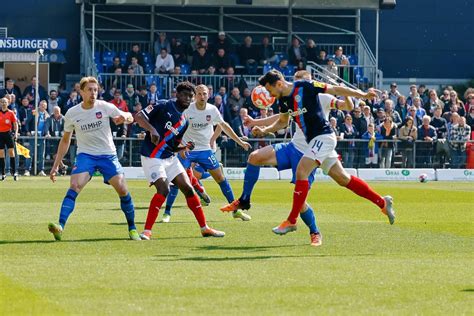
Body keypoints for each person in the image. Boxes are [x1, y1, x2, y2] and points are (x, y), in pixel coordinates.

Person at [247, 70, 395, 236]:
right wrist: (264, 130)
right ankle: (382, 202)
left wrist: (362, 94)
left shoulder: (309, 88)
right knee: (343, 179)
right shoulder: (284, 100)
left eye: (269, 90)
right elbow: (282, 121)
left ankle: (292, 220)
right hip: (312, 143)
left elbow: (339, 94)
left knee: (301, 171)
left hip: (323, 138)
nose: (268, 94)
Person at [221, 71, 351, 246]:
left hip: (311, 151)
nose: (297, 86)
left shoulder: (322, 97)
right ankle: (244, 200)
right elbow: (281, 118)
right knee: (255, 157)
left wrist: (349, 94)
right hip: (293, 146)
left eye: (302, 82)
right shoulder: (291, 97)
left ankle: (315, 232)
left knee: (301, 201)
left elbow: (346, 106)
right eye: (296, 82)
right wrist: (258, 124)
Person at [47, 76, 140, 241]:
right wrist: (55, 165)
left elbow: (130, 116)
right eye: (89, 90)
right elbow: (66, 140)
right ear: (81, 91)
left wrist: (124, 118)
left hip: (107, 155)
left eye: (95, 90)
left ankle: (132, 229)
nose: (93, 93)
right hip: (86, 156)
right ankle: (60, 227)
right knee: (75, 185)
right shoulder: (72, 113)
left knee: (123, 190)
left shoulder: (104, 106)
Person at [134, 81, 225, 240]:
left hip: (169, 158)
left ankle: (205, 228)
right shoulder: (163, 105)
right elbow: (139, 116)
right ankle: (147, 231)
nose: (188, 98)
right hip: (152, 156)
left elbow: (172, 145)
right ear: (177, 94)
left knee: (188, 189)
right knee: (164, 190)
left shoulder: (185, 122)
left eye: (190, 96)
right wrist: (152, 129)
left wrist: (183, 148)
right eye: (184, 95)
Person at [162, 85, 251, 222]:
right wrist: (180, 146)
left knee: (221, 179)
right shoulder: (188, 109)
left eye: (204, 94)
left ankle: (235, 210)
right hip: (188, 150)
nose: (202, 96)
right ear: (194, 96)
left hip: (205, 150)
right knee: (177, 181)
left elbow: (224, 126)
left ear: (208, 95)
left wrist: (240, 142)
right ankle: (167, 213)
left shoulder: (212, 109)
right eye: (199, 94)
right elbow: (176, 128)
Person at [0, 97, 19, 181]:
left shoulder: (11, 113)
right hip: (0, 135)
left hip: (8, 134)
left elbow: (15, 124)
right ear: (0, 103)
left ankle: (14, 172)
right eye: (2, 102)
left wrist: (15, 133)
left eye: (5, 102)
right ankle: (3, 173)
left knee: (11, 152)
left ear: (8, 103)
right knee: (1, 153)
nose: (4, 103)